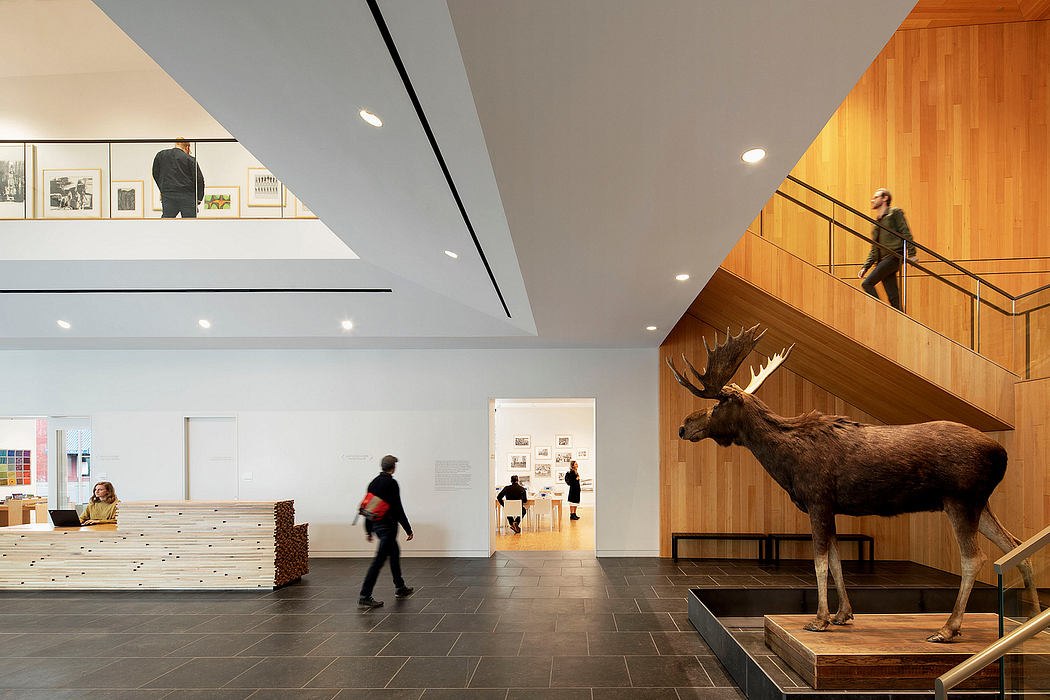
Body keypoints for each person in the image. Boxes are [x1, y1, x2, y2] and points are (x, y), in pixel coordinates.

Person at [358, 454, 414, 608]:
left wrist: (368, 530)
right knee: (378, 561)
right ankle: (365, 595)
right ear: (393, 467)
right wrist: (408, 528)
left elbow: (369, 507)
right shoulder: (391, 483)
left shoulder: (373, 483)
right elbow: (398, 508)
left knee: (394, 553)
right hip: (388, 528)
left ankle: (400, 587)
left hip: (377, 526)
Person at [857, 188, 913, 310]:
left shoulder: (894, 213)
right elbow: (874, 248)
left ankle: (881, 312)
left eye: (876, 197)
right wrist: (865, 266)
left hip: (893, 256)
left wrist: (912, 253)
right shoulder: (877, 223)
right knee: (894, 298)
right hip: (883, 261)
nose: (873, 200)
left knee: (867, 283)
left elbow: (906, 233)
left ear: (885, 198)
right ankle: (900, 322)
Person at [152, 138, 205, 218]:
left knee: (167, 221)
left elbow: (155, 173)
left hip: (168, 194)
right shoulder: (190, 159)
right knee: (190, 222)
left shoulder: (161, 155)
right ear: (187, 147)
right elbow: (199, 179)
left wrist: (163, 188)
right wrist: (198, 198)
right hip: (187, 195)